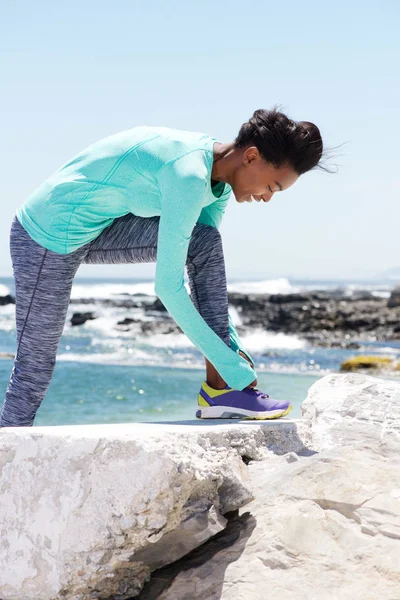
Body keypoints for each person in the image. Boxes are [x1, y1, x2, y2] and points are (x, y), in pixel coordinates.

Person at [0, 106, 325, 427]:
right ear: (251, 157)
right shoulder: (188, 175)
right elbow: (167, 287)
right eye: (271, 187)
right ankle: (8, 457)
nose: (267, 198)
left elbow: (205, 279)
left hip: (101, 229)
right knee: (35, 366)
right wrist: (235, 366)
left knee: (205, 242)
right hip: (46, 233)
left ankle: (220, 391)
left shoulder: (220, 185)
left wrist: (233, 354)